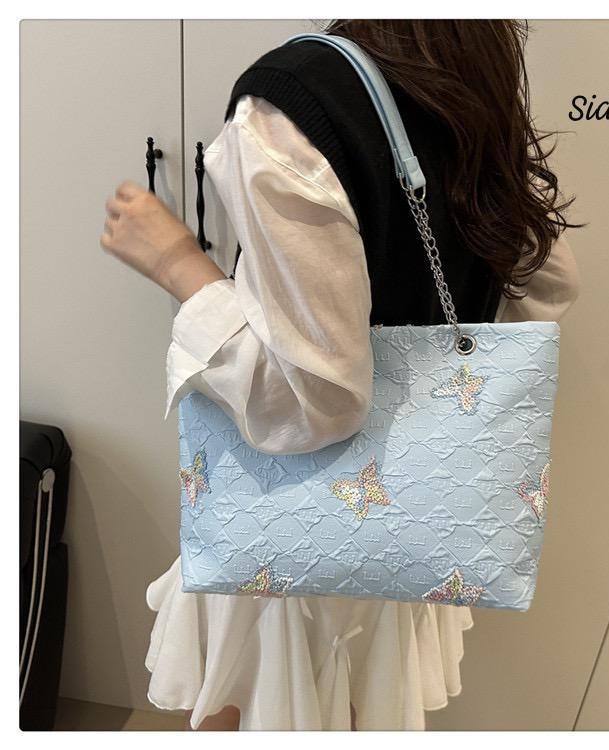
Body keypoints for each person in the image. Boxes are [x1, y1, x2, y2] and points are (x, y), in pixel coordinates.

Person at [100, 19, 581, 731]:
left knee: (259, 702)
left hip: (288, 528)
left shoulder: (296, 105)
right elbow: (547, 284)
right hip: (418, 516)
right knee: (351, 706)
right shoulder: (469, 69)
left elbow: (314, 405)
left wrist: (178, 263)